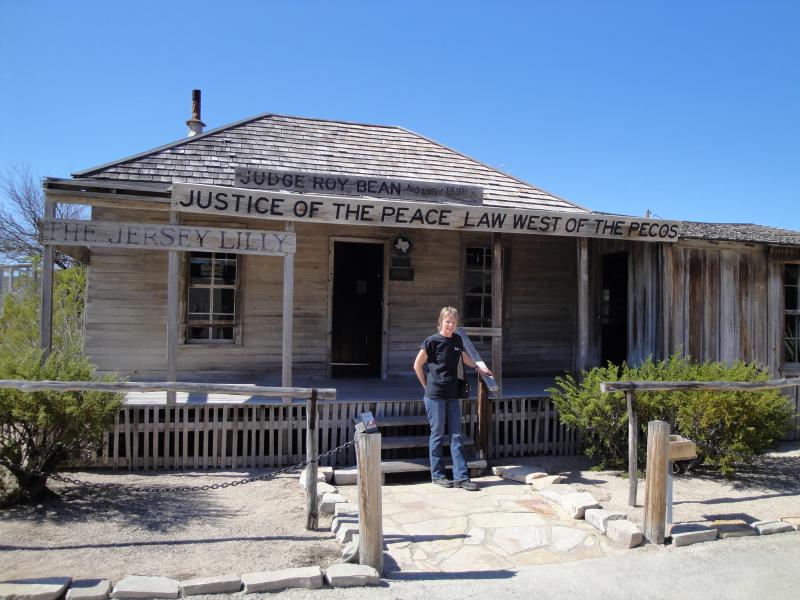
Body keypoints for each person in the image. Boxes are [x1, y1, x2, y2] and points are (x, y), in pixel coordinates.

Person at [413, 306, 493, 491]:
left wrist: (478, 368)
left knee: (457, 435)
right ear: (441, 322)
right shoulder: (431, 341)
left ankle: (461, 477)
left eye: (454, 322)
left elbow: (463, 356)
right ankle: (438, 475)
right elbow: (417, 365)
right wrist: (426, 386)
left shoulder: (457, 340)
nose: (450, 325)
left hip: (452, 395)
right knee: (437, 435)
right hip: (434, 396)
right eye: (447, 321)